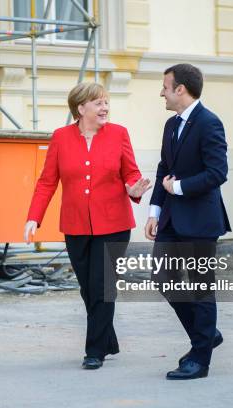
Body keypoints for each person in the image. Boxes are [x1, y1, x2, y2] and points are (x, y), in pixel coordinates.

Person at [24, 82, 151, 370]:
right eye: (99, 103)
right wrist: (34, 216)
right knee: (87, 288)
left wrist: (134, 189)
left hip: (114, 223)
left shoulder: (119, 134)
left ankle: (94, 351)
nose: (105, 107)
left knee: (101, 286)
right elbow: (47, 182)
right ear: (81, 108)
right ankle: (107, 338)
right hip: (76, 224)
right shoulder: (60, 138)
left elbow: (130, 172)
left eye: (106, 102)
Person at [145, 64, 231, 380]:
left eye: (165, 86)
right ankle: (206, 334)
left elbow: (217, 172)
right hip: (169, 218)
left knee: (200, 289)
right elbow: (163, 168)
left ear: (180, 89)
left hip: (200, 220)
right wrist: (155, 210)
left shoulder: (210, 123)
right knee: (162, 278)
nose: (161, 92)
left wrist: (178, 187)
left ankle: (200, 357)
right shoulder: (171, 124)